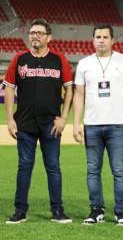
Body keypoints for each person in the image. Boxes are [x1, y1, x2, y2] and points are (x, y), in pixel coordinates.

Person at [4, 18, 73, 224]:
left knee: (53, 166)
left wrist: (63, 118)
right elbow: (8, 87)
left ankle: (57, 210)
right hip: (24, 123)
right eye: (32, 32)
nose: (35, 36)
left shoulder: (59, 59)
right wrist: (10, 119)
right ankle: (20, 210)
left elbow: (69, 88)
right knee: (24, 166)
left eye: (39, 33)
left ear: (48, 37)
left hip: (51, 123)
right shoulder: (19, 59)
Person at [73, 24, 123, 225]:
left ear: (112, 40)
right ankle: (96, 210)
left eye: (105, 37)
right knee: (93, 170)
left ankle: (121, 212)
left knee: (119, 170)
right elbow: (79, 94)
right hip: (91, 125)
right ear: (92, 40)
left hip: (117, 126)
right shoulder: (84, 64)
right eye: (98, 37)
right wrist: (76, 123)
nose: (101, 40)